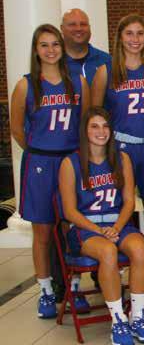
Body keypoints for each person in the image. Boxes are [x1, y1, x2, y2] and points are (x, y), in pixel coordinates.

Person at [58, 107, 144, 345]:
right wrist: (98, 229)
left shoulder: (122, 159)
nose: (101, 131)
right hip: (85, 226)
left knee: (139, 249)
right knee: (108, 251)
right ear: (85, 131)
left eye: (105, 126)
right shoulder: (70, 163)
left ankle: (137, 316)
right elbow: (69, 211)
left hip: (117, 223)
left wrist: (116, 227)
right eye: (94, 126)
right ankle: (117, 319)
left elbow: (129, 201)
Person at [10, 24, 88, 319]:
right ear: (36, 50)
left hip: (70, 160)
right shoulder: (26, 86)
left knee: (71, 226)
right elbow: (17, 129)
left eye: (55, 44)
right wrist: (40, 149)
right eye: (44, 45)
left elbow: (86, 123)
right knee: (42, 230)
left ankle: (73, 287)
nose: (51, 50)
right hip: (41, 162)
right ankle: (45, 291)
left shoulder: (78, 82)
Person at [92, 14, 144, 201]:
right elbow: (94, 116)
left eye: (140, 33)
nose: (135, 39)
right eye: (129, 33)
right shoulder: (105, 72)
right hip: (121, 146)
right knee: (120, 202)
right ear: (120, 37)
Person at [61, 8, 111, 85]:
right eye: (72, 24)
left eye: (83, 24)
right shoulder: (54, 63)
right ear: (62, 28)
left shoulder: (107, 61)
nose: (78, 28)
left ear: (89, 28)